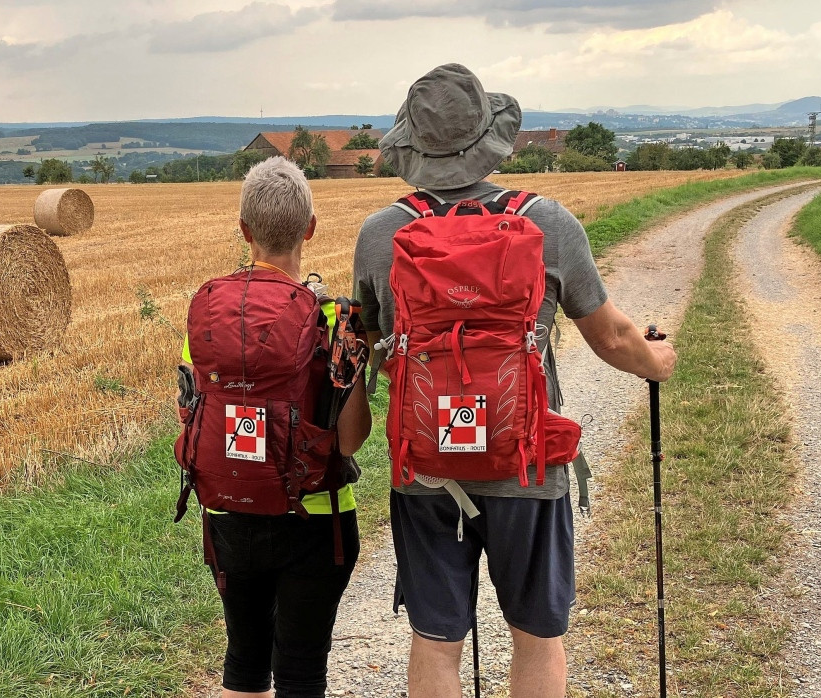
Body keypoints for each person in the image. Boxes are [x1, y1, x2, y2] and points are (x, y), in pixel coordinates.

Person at [352, 64, 677, 697]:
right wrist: (656, 361)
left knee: (436, 641)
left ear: (412, 144)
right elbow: (612, 338)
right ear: (488, 138)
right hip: (527, 464)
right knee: (536, 637)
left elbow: (371, 348)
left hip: (426, 469)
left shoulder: (382, 234)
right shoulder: (547, 224)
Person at [176, 156, 372, 697]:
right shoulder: (335, 319)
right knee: (301, 673)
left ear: (244, 231)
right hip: (316, 517)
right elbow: (351, 439)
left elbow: (191, 415)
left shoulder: (210, 313)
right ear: (310, 227)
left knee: (243, 663)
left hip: (229, 511)